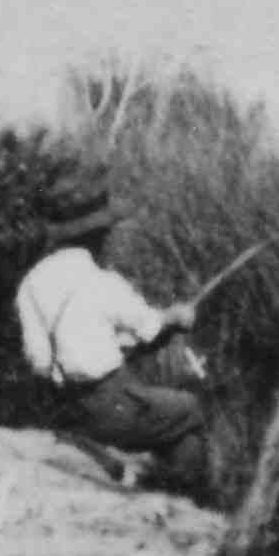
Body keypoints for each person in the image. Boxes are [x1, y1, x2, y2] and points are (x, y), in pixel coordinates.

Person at [14, 175, 212, 498]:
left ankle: (150, 481)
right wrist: (177, 315)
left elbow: (39, 362)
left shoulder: (31, 284)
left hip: (64, 408)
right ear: (96, 236)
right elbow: (150, 326)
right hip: (110, 406)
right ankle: (174, 496)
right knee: (190, 410)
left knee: (164, 410)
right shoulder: (101, 282)